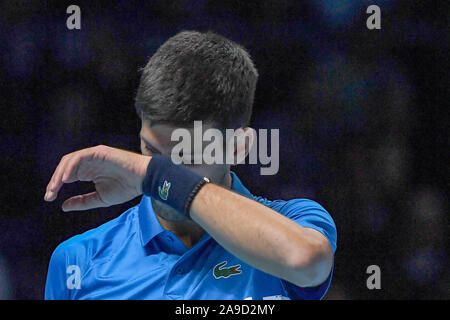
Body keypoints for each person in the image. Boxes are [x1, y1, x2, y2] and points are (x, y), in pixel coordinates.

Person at [43, 30, 337, 300]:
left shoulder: (295, 221)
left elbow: (306, 261)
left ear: (239, 147)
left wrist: (156, 175)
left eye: (188, 157)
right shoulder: (79, 260)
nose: (165, 174)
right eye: (151, 150)